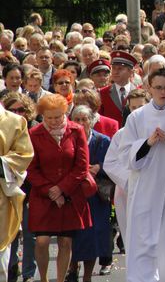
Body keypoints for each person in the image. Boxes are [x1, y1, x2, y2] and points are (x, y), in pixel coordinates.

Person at [118, 68, 165, 282]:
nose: (163, 92)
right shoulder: (137, 117)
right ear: (148, 88)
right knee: (144, 239)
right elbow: (125, 155)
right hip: (146, 185)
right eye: (158, 87)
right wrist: (147, 143)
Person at [27, 94, 92, 282]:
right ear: (42, 116)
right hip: (43, 195)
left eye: (58, 117)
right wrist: (51, 190)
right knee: (42, 241)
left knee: (65, 241)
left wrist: (62, 188)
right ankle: (45, 278)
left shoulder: (76, 130)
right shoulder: (34, 134)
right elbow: (31, 169)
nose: (54, 121)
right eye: (49, 117)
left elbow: (81, 166)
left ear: (65, 113)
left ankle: (60, 279)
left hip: (69, 195)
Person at [68, 105, 112, 281]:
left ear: (91, 121)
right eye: (76, 119)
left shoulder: (103, 141)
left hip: (96, 195)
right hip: (73, 194)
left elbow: (112, 163)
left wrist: (99, 167)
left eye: (84, 119)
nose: (80, 123)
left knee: (93, 236)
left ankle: (87, 276)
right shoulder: (67, 140)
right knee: (73, 235)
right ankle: (72, 268)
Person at [3, 92, 38, 282]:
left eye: (21, 109)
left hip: (31, 189)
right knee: (11, 234)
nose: (17, 113)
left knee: (30, 235)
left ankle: (28, 274)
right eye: (12, 109)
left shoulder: (34, 130)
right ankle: (11, 271)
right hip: (8, 187)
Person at [98, 51, 138, 125]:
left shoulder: (138, 91)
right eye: (114, 68)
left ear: (130, 72)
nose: (115, 72)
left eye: (120, 69)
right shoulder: (103, 93)